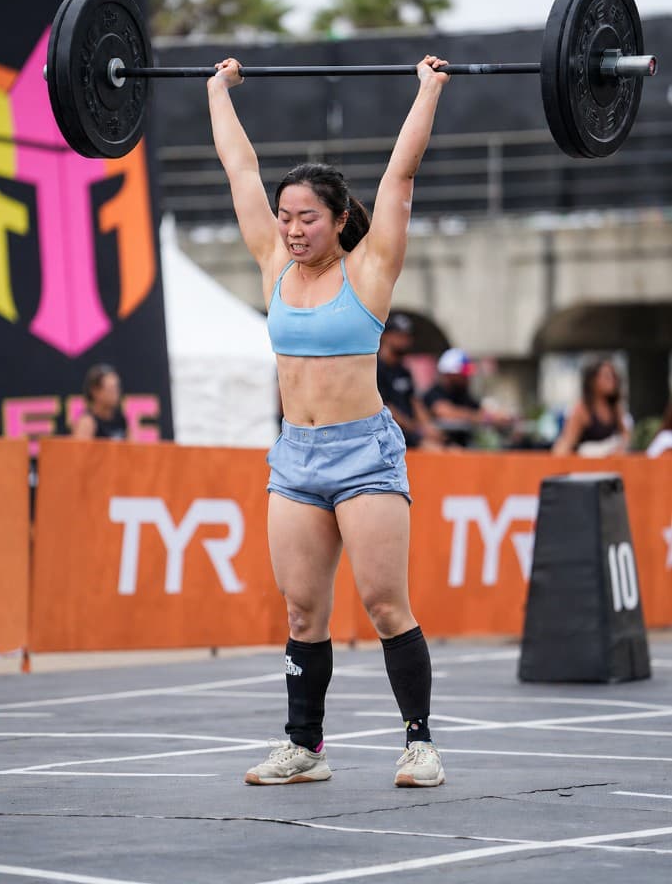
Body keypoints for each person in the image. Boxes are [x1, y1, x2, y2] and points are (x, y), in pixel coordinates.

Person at [207, 54, 450, 789]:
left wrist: (428, 89)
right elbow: (239, 169)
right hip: (296, 458)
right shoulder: (271, 263)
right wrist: (217, 91)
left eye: (306, 216)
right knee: (302, 609)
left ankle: (419, 745)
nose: (291, 228)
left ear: (339, 218)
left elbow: (399, 178)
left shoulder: (370, 271)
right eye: (284, 217)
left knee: (382, 604)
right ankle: (303, 747)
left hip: (363, 455)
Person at [376, 313, 445, 450]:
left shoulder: (403, 370)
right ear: (385, 336)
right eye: (399, 335)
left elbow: (414, 401)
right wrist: (418, 430)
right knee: (435, 450)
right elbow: (385, 408)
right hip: (388, 433)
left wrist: (428, 427)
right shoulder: (376, 368)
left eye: (407, 336)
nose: (405, 340)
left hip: (409, 432)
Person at [423, 347, 513, 447]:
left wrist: (498, 417)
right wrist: (480, 418)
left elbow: (481, 410)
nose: (467, 377)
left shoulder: (462, 394)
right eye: (463, 373)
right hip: (439, 448)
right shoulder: (434, 393)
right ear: (450, 374)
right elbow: (444, 412)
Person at [552, 358, 629, 456]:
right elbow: (567, 442)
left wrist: (619, 448)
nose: (612, 381)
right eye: (606, 376)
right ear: (592, 381)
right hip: (586, 467)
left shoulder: (615, 408)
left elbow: (625, 435)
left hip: (609, 468)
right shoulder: (582, 409)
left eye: (613, 376)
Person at [72, 364, 127, 440]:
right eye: (110, 390)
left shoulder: (121, 419)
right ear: (95, 391)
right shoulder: (87, 422)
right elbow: (78, 451)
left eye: (117, 388)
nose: (116, 394)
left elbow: (131, 448)